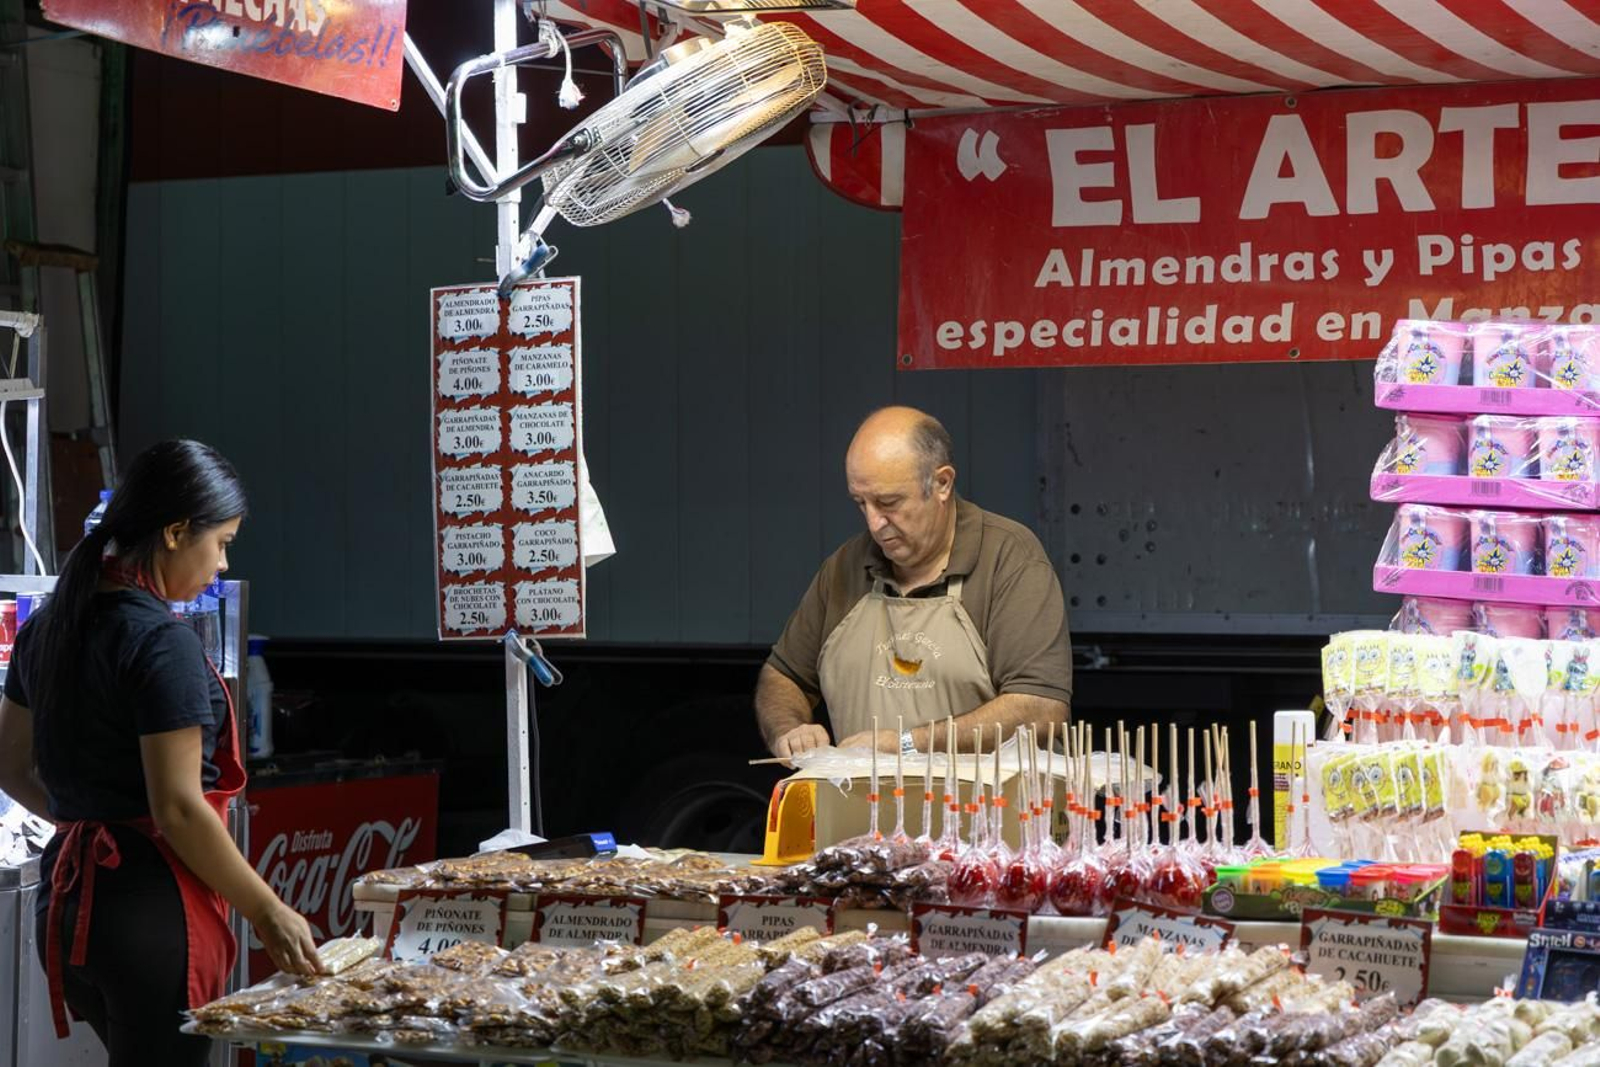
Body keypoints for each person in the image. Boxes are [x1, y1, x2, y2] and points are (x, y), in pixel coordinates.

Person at [0, 440, 323, 1066]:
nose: (223, 564)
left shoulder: (50, 624)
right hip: (148, 915)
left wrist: (84, 817)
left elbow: (9, 766)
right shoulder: (159, 642)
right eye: (222, 542)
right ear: (176, 532)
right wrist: (268, 910)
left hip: (66, 913)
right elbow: (177, 809)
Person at [757, 407, 1072, 758]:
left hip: (982, 810)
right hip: (864, 811)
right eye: (861, 503)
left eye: (888, 502)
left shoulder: (1008, 559)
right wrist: (789, 728)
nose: (875, 523)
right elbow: (783, 676)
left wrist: (906, 744)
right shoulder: (846, 565)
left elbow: (1041, 710)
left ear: (942, 483)